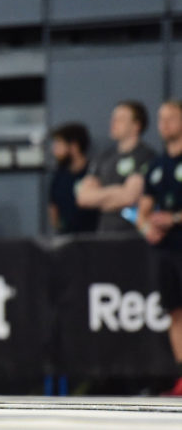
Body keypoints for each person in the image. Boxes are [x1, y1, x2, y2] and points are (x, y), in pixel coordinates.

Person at [136, 101, 182, 396]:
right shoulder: (155, 166)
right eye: (160, 118)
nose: (164, 124)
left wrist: (174, 218)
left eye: (171, 118)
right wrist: (146, 227)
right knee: (175, 312)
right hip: (165, 250)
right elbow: (140, 211)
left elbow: (169, 215)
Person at [77, 100, 156, 233]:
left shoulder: (146, 155)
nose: (113, 123)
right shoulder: (104, 156)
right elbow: (83, 197)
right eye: (113, 118)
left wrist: (100, 198)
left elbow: (130, 197)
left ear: (136, 125)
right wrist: (118, 191)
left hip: (132, 234)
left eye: (121, 119)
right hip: (104, 233)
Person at [48, 123, 99, 234]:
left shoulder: (95, 172)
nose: (54, 150)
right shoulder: (58, 176)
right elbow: (53, 208)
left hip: (94, 240)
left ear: (74, 147)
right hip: (66, 240)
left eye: (59, 144)